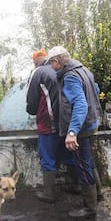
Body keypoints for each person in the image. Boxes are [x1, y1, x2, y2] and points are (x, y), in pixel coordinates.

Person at [47, 45, 102, 218]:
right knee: (88, 161)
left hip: (82, 128)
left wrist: (72, 132)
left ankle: (89, 208)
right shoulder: (84, 70)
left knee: (82, 165)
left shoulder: (70, 77)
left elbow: (80, 103)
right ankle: (98, 194)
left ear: (57, 61)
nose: (51, 67)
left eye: (51, 63)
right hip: (92, 123)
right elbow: (96, 90)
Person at [26, 49, 63, 203]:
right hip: (65, 122)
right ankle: (75, 186)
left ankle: (50, 193)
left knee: (47, 156)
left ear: (36, 62)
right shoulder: (60, 69)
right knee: (68, 153)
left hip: (48, 122)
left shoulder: (38, 72)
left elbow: (31, 99)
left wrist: (32, 111)